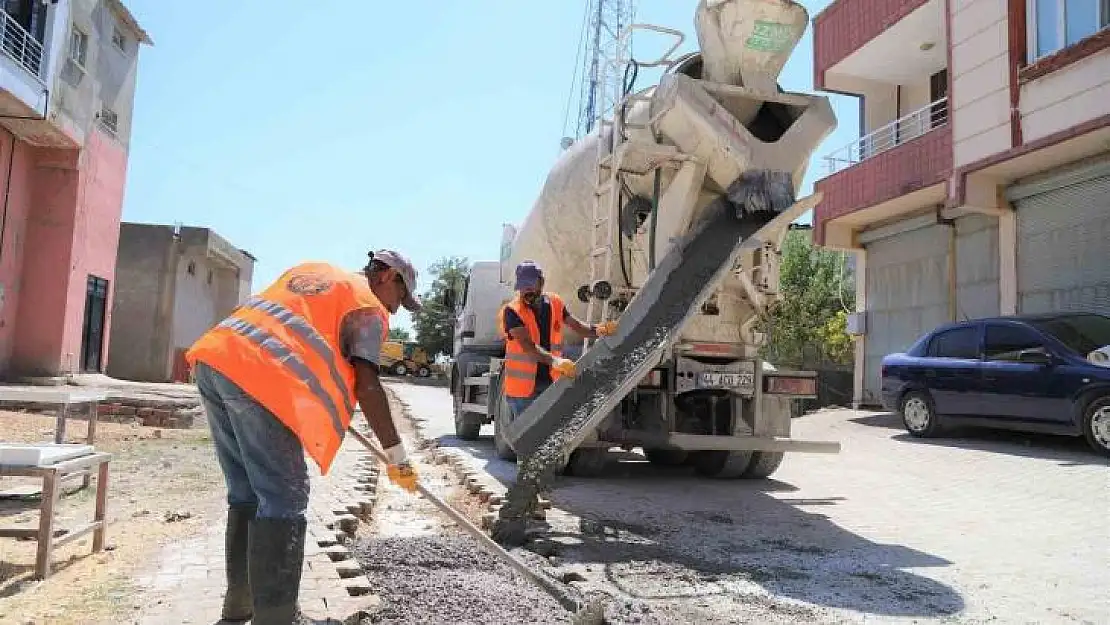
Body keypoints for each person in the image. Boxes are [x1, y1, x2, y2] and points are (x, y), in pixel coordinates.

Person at [185, 250, 422, 624]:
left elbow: (292, 339)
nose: (395, 310)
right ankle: (278, 619)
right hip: (256, 378)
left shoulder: (315, 272)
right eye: (400, 298)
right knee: (285, 497)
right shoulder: (366, 306)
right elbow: (369, 386)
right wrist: (397, 456)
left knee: (247, 493)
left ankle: (239, 608)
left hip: (216, 362)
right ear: (388, 276)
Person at [498, 260, 617, 419]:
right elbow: (528, 347)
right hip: (522, 392)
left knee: (547, 435)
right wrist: (556, 361)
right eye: (522, 286)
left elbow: (578, 326)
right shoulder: (512, 311)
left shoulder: (555, 303)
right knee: (530, 438)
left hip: (549, 383)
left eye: (530, 285)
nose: (526, 291)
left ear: (541, 282)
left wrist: (600, 330)